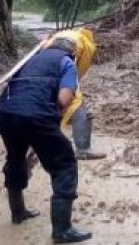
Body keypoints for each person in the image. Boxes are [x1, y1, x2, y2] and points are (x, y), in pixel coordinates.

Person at [0, 34, 92, 244]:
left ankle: (18, 212)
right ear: (74, 53)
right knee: (64, 165)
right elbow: (63, 99)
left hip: (5, 113)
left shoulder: (30, 60)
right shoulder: (67, 63)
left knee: (15, 158)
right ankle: (62, 230)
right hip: (36, 115)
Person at [45, 28, 106, 160]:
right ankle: (83, 149)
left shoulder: (59, 35)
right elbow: (79, 70)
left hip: (44, 65)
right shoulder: (88, 44)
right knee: (77, 105)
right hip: (64, 64)